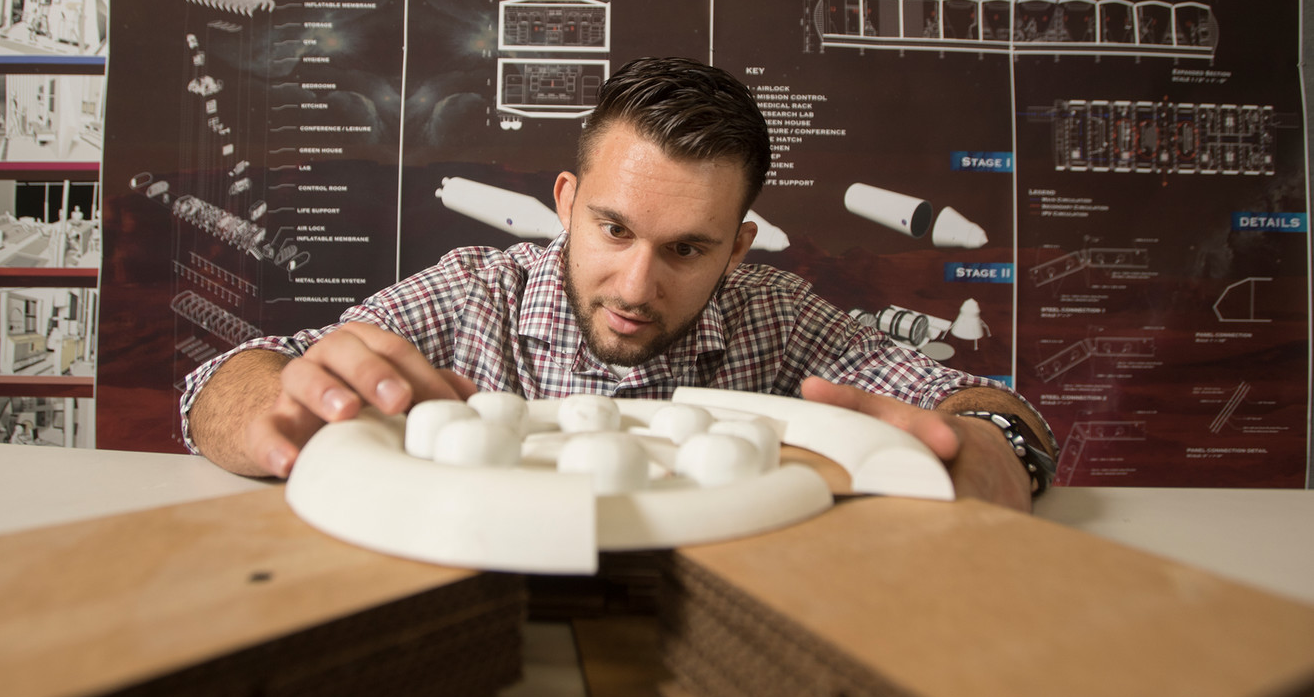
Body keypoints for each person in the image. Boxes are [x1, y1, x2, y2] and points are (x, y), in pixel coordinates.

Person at [182, 57, 1056, 511]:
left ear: (738, 247)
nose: (636, 284)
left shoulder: (782, 318)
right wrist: (270, 408)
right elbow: (221, 384)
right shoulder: (468, 295)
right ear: (566, 201)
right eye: (613, 228)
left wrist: (988, 454)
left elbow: (991, 408)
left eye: (686, 250)